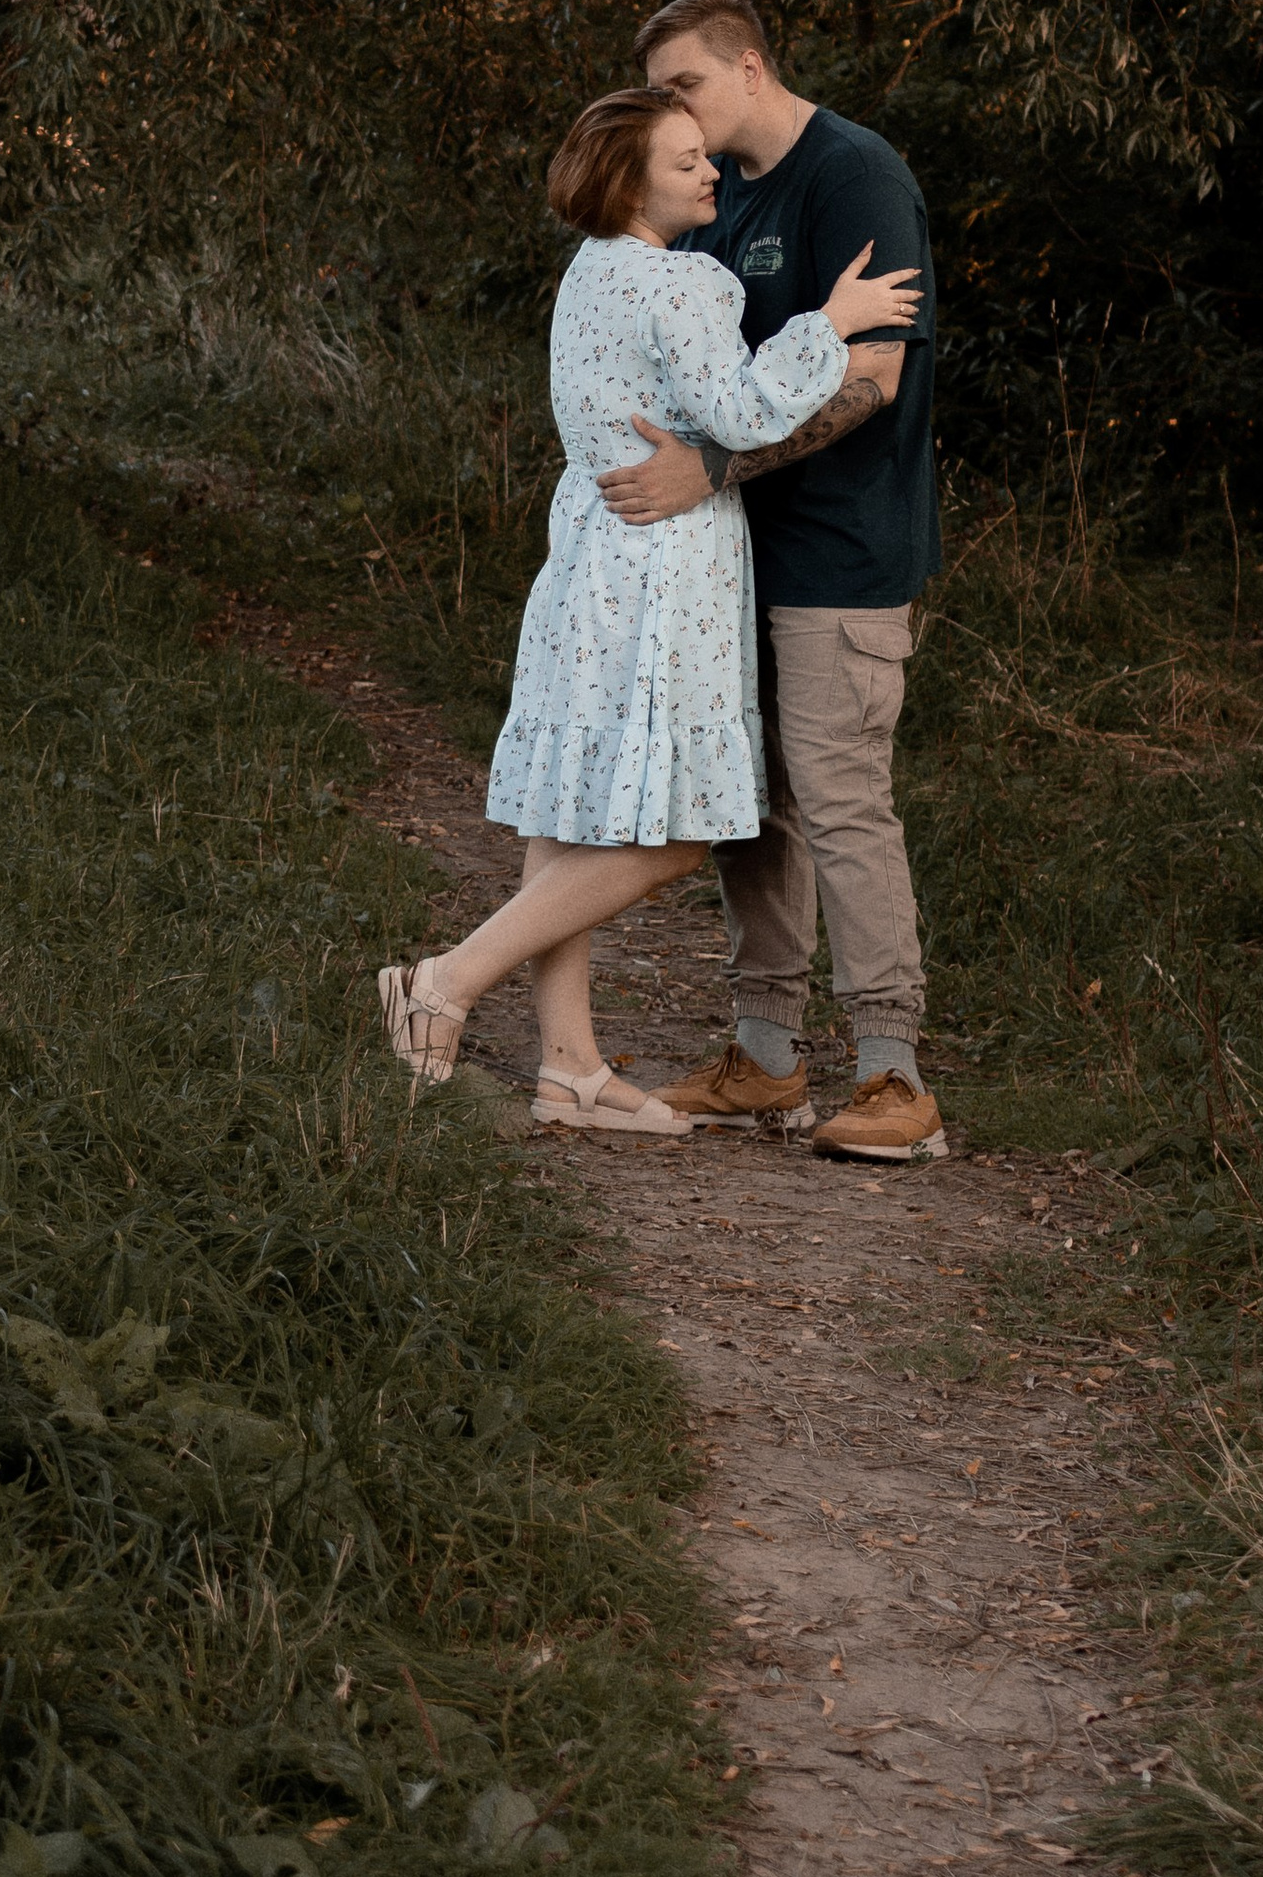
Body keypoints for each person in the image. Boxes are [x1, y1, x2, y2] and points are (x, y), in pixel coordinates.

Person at [376, 83, 921, 1130]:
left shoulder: (588, 276)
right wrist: (832, 324)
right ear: (630, 183)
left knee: (571, 802)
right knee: (684, 829)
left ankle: (569, 1065)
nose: (710, 170)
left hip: (587, 556)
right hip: (664, 571)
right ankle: (440, 984)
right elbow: (741, 410)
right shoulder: (679, 287)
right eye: (683, 162)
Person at [597, 0, 944, 1164]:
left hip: (842, 553)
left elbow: (871, 379)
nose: (672, 109)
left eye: (684, 82)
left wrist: (712, 469)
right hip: (729, 555)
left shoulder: (853, 176)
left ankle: (894, 1076)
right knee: (754, 809)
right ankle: (766, 1057)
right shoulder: (715, 192)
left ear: (749, 65)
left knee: (842, 803)